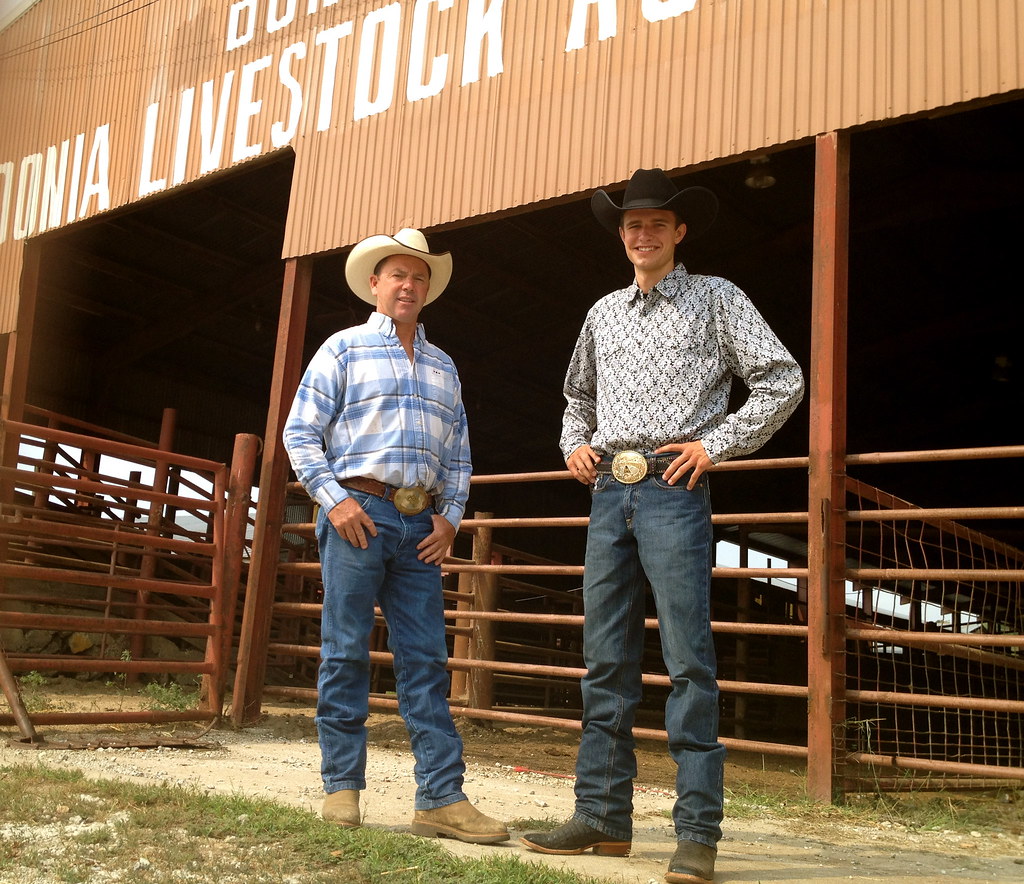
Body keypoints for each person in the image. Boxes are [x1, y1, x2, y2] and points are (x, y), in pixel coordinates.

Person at [521, 169, 804, 883]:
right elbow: (576, 395)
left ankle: (697, 832)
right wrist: (572, 445)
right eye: (630, 224)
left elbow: (782, 377)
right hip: (608, 491)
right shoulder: (602, 313)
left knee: (688, 660)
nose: (641, 233)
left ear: (680, 232)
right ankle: (602, 817)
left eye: (654, 223)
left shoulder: (717, 298)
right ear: (621, 236)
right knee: (606, 657)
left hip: (676, 487)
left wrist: (717, 444)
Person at [282, 227, 509, 845]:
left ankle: (441, 798)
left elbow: (459, 454)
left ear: (428, 288)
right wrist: (335, 503)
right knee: (347, 648)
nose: (408, 285)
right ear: (375, 284)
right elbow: (299, 434)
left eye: (419, 276)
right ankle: (341, 788)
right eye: (397, 275)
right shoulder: (343, 348)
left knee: (425, 660)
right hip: (359, 511)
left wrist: (450, 516)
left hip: (419, 524)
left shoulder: (443, 365)